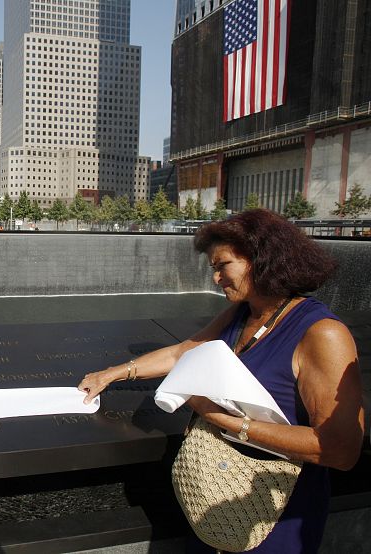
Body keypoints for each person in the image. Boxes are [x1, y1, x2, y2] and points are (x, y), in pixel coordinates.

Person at [78, 209, 365, 553]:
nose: (215, 279)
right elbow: (182, 353)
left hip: (277, 509)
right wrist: (112, 373)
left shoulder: (321, 334)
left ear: (262, 259)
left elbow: (340, 449)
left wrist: (224, 420)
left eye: (222, 266)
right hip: (216, 491)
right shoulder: (243, 313)